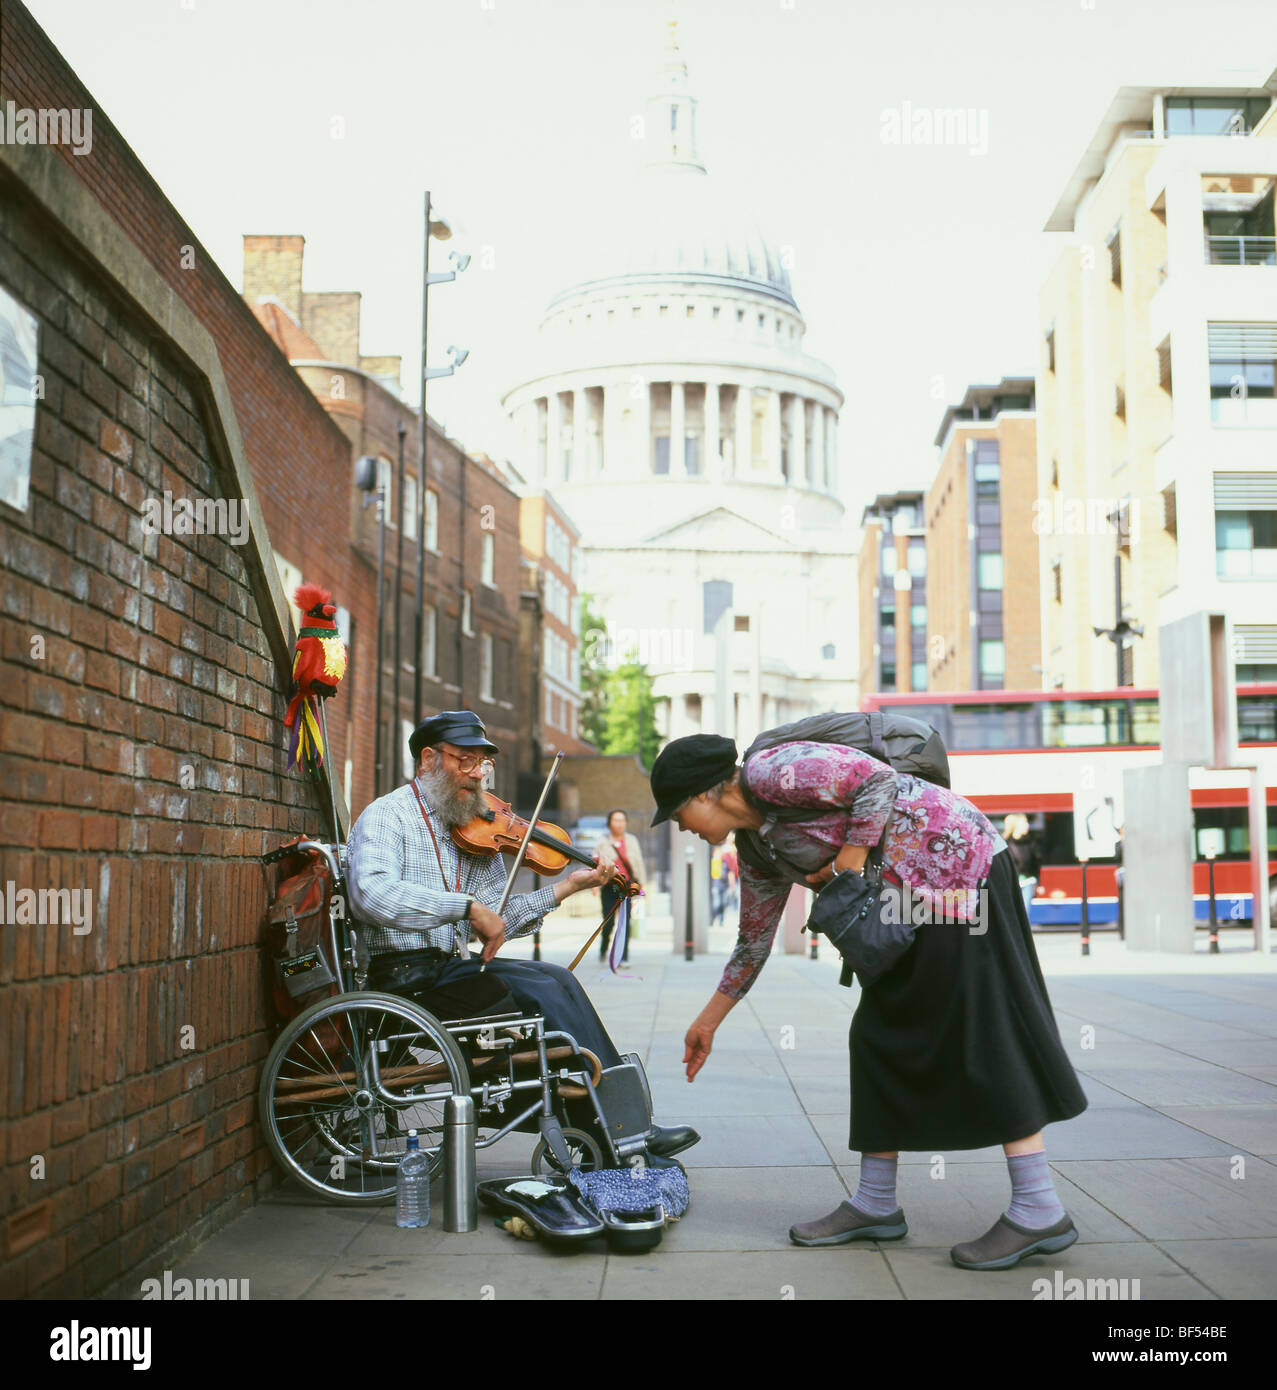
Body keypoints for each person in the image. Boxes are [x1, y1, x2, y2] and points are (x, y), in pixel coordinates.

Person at [649, 732, 1089, 1270]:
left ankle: (1038, 1207)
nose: (684, 830)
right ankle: (876, 1203)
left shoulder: (772, 772)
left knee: (982, 1030)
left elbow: (875, 780)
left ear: (704, 795)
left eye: (677, 816)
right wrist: (707, 1022)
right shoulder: (758, 849)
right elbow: (753, 941)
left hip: (959, 874)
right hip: (905, 904)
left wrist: (847, 863)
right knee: (877, 1036)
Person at [346, 709, 699, 1159]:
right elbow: (370, 894)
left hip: (446, 970)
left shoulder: (471, 822)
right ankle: (612, 1125)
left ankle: (622, 1119)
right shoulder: (388, 816)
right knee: (544, 998)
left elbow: (495, 921)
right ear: (428, 760)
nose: (477, 775)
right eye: (465, 761)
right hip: (402, 978)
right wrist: (464, 906)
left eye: (483, 764)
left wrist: (567, 888)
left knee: (560, 979)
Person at [595, 809, 645, 964]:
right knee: (608, 922)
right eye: (616, 820)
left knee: (625, 921)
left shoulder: (631, 840)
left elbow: (639, 863)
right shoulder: (603, 842)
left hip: (627, 886)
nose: (619, 824)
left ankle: (623, 956)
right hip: (610, 886)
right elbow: (595, 864)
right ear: (609, 823)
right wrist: (594, 886)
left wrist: (642, 886)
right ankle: (604, 947)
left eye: (622, 820)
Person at [1002, 814, 1042, 918]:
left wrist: (1039, 883)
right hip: (1012, 883)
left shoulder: (1031, 842)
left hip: (1028, 881)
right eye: (1024, 823)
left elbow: (1036, 865)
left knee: (1025, 913)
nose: (1027, 825)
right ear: (1016, 825)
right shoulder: (1006, 844)